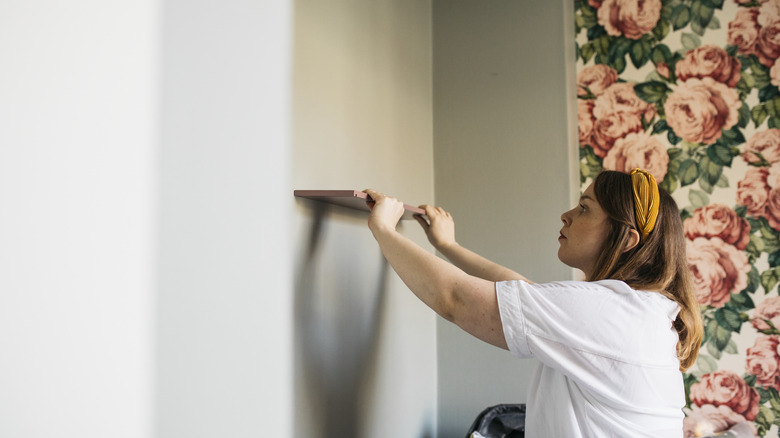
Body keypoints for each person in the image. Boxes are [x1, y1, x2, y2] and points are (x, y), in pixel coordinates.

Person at [363, 169, 703, 438]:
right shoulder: (636, 309)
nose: (566, 215)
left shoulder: (611, 311)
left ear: (626, 239)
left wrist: (384, 229)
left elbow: (457, 300)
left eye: (584, 208)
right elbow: (523, 293)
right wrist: (448, 246)